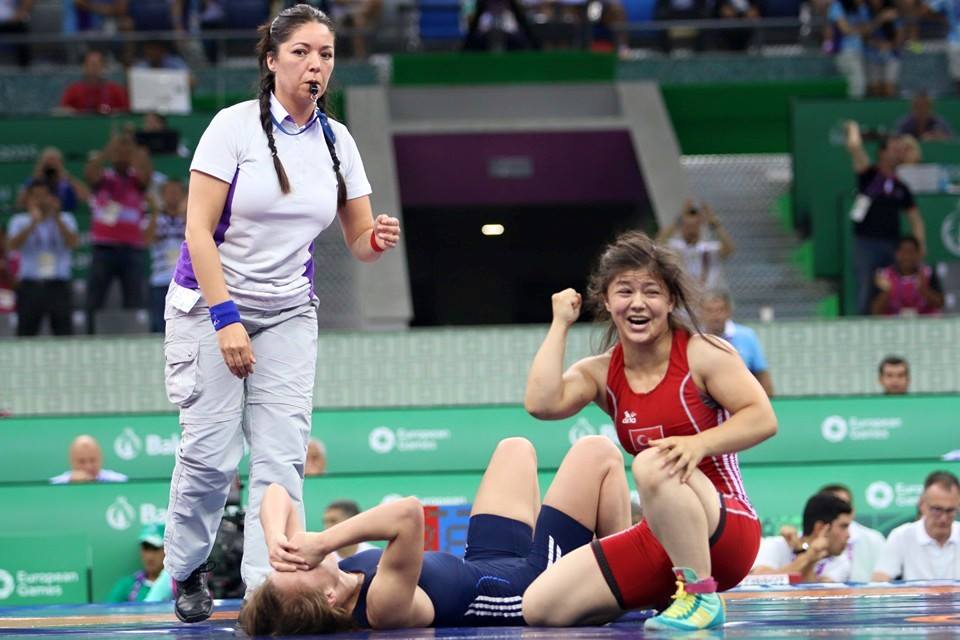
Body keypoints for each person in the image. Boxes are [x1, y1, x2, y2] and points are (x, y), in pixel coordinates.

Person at [162, 4, 401, 625]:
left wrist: (374, 240)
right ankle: (187, 565)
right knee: (210, 457)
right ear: (272, 61)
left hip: (291, 309)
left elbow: (356, 239)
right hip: (209, 304)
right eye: (301, 52)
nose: (315, 64)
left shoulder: (338, 141)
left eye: (325, 54)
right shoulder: (232, 127)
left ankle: (266, 588)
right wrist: (226, 319)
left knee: (281, 457)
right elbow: (197, 231)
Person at [522, 231, 777, 631]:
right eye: (625, 291)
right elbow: (541, 403)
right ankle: (662, 599)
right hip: (662, 537)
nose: (638, 302)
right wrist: (560, 324)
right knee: (541, 606)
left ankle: (701, 596)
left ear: (670, 301)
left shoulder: (703, 353)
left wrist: (698, 444)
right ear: (607, 301)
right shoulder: (602, 372)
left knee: (653, 461)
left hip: (727, 532)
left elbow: (763, 417)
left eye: (651, 291)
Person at [238, 435, 631, 634]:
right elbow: (408, 513)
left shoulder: (337, 576)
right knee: (597, 452)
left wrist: (274, 540)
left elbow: (278, 493)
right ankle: (629, 587)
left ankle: (620, 577)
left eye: (282, 562)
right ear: (328, 598)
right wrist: (324, 542)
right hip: (533, 586)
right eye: (294, 568)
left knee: (515, 448)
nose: (295, 558)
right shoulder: (381, 608)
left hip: (487, 561)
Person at [845, 122, 924, 316]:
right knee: (866, 288)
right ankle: (863, 325)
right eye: (893, 148)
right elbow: (854, 146)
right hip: (866, 244)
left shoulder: (901, 188)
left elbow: (915, 219)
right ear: (882, 153)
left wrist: (921, 245)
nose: (897, 152)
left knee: (892, 289)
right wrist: (853, 127)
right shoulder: (868, 174)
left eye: (899, 150)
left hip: (892, 245)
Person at [84, 129, 153, 334]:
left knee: (134, 298)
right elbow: (89, 173)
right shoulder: (103, 178)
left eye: (125, 152)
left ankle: (133, 338)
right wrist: (109, 150)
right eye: (118, 152)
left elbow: (147, 177)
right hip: (104, 247)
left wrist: (133, 151)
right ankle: (90, 337)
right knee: (95, 299)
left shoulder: (136, 179)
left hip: (131, 249)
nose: (121, 155)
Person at [6, 180, 79, 336]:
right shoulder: (19, 220)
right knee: (26, 335)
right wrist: (32, 223)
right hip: (30, 285)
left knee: (64, 334)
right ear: (28, 199)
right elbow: (12, 246)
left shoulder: (66, 218)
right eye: (36, 196)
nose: (40, 200)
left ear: (51, 198)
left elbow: (73, 243)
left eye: (44, 196)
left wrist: (57, 217)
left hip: (58, 285)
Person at [872, 471, 960, 581]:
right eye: (937, 509)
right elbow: (879, 581)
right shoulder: (901, 536)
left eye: (950, 510)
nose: (943, 518)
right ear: (922, 505)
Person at [750, 492, 853, 582]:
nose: (848, 535)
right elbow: (759, 581)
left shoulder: (841, 562)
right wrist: (807, 555)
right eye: (843, 526)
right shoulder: (776, 545)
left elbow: (816, 595)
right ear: (820, 528)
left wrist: (808, 557)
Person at [701, 290, 775, 397]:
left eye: (720, 310)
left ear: (729, 312)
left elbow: (762, 374)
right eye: (709, 310)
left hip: (743, 399)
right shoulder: (694, 339)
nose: (715, 316)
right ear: (701, 313)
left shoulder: (747, 336)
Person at [655, 201, 735, 293]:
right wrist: (678, 219)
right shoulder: (675, 247)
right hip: (684, 295)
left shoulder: (709, 248)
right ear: (681, 227)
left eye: (695, 224)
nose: (691, 228)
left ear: (700, 226)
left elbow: (729, 249)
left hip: (708, 295)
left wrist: (714, 223)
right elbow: (659, 241)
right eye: (688, 225)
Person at [143, 179, 187, 333]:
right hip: (160, 280)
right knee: (159, 327)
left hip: (184, 282)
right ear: (162, 195)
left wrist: (185, 212)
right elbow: (146, 240)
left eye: (177, 192)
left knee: (184, 327)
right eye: (169, 192)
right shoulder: (154, 219)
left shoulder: (190, 219)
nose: (173, 196)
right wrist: (156, 211)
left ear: (183, 196)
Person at [819, 483, 886, 582]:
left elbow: (885, 582)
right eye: (831, 508)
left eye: (843, 505)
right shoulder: (805, 543)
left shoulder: (874, 539)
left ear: (853, 510)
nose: (839, 510)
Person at [871, 235, 944, 316]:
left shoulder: (927, 273)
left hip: (924, 321)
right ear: (896, 254)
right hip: (894, 322)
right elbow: (875, 311)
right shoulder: (884, 276)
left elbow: (940, 304)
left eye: (911, 252)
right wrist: (887, 292)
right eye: (903, 252)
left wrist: (924, 290)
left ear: (918, 254)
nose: (907, 256)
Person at [107, 523, 177, 603]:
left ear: (168, 550)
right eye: (146, 548)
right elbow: (108, 610)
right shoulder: (126, 585)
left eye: (155, 549)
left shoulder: (180, 586)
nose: (149, 556)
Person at [15, 147, 89, 214]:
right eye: (47, 161)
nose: (50, 165)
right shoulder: (33, 181)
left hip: (64, 218)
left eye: (54, 161)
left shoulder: (67, 181)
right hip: (39, 219)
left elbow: (86, 198)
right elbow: (20, 204)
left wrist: (67, 177)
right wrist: (36, 176)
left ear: (61, 163)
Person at [58, 50, 130, 115]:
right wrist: (69, 111)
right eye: (91, 65)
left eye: (97, 65)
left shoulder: (116, 90)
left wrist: (115, 112)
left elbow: (127, 112)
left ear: (103, 67)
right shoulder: (73, 90)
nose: (94, 69)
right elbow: (62, 111)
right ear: (84, 67)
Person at [49, 434, 128, 484]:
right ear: (72, 462)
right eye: (81, 462)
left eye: (93, 460)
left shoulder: (119, 483)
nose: (88, 467)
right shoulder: (54, 486)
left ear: (101, 459)